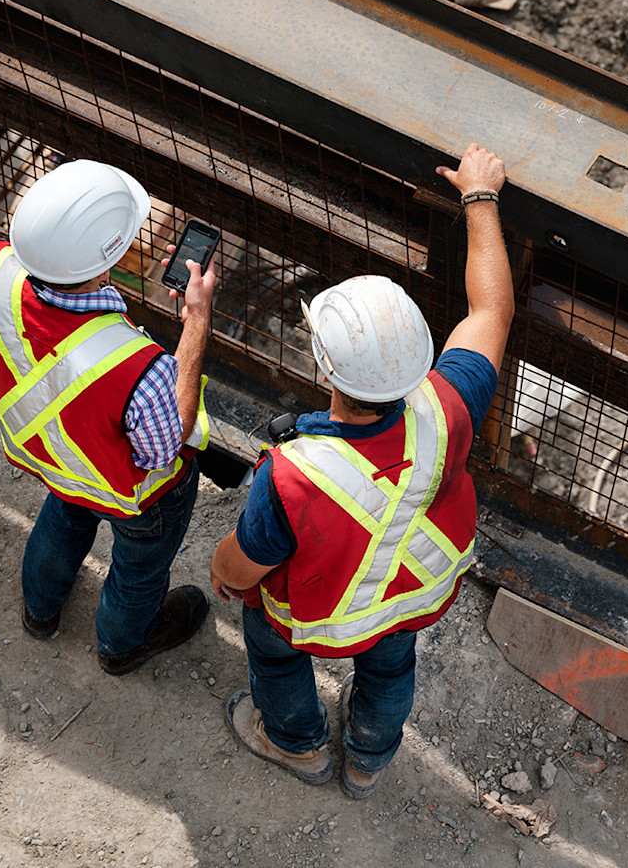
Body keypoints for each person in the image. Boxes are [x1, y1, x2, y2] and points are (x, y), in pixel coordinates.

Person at [209, 142, 512, 799]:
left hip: (311, 613)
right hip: (405, 600)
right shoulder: (450, 403)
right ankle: (369, 759)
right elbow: (490, 311)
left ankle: (297, 743)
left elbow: (245, 564)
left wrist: (221, 571)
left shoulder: (290, 474)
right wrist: (480, 197)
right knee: (389, 666)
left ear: (325, 370)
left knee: (271, 645)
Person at [0, 159, 216, 676]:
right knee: (139, 568)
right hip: (133, 494)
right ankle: (121, 646)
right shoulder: (139, 368)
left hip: (53, 455)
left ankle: (40, 612)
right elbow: (164, 448)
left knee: (65, 513)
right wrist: (196, 321)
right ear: (105, 264)